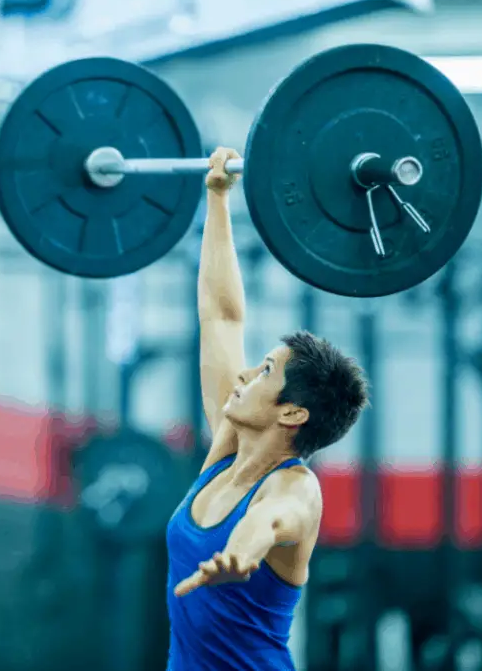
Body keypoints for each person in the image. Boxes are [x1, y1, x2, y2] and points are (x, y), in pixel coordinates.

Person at [165, 147, 370, 670]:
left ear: (292, 413)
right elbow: (220, 317)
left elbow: (274, 521)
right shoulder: (225, 454)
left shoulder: (296, 489)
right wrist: (216, 199)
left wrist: (243, 553)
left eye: (264, 373)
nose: (243, 376)